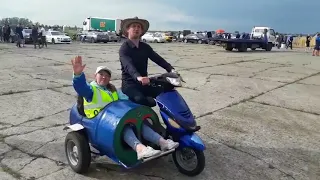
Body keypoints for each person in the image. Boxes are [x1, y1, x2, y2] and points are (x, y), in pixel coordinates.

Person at [71, 56, 179, 160]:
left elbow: (127, 101)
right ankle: (140, 149)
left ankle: (162, 142)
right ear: (95, 76)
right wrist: (78, 75)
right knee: (125, 126)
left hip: (114, 119)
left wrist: (143, 101)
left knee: (140, 123)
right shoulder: (91, 90)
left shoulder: (113, 90)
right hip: (98, 122)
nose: (104, 77)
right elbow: (81, 87)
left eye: (107, 75)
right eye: (101, 74)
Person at [119, 17, 177, 107]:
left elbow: (158, 59)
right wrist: (138, 77)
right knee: (142, 100)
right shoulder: (124, 48)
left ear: (142, 31)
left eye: (139, 27)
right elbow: (128, 65)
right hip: (130, 85)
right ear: (127, 29)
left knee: (168, 88)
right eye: (133, 26)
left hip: (145, 83)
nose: (136, 28)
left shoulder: (145, 47)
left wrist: (171, 69)